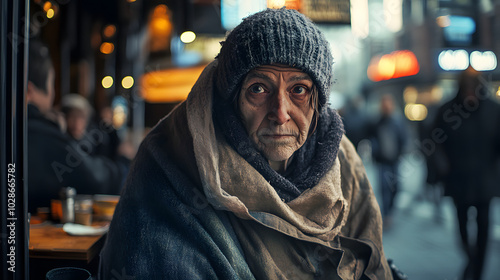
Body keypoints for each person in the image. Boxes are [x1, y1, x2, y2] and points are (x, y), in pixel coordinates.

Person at [100, 8, 392, 279]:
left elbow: (373, 264)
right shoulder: (169, 158)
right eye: (258, 89)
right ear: (231, 100)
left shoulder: (341, 159)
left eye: (299, 90)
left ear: (319, 103)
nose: (280, 114)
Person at [27, 39, 126, 214]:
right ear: (29, 91)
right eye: (51, 83)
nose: (77, 123)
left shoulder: (92, 140)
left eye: (81, 118)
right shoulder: (42, 134)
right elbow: (95, 178)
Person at [433, 67, 500, 280]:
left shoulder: (493, 110)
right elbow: (435, 142)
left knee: (483, 227)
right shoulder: (447, 111)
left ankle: (477, 270)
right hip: (458, 179)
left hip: (485, 180)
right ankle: (471, 260)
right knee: (461, 225)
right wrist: (441, 167)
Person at [369, 94, 407, 224]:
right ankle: (386, 214)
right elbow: (371, 138)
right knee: (385, 187)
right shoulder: (377, 122)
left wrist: (402, 151)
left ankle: (390, 209)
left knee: (395, 187)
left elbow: (404, 137)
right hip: (382, 161)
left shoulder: (398, 121)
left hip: (395, 160)